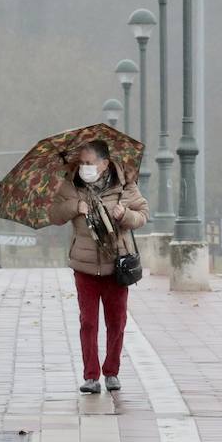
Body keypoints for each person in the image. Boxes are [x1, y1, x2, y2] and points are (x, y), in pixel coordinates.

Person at [47, 140, 149, 394]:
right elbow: (54, 214)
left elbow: (143, 215)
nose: (84, 168)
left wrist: (124, 214)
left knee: (117, 321)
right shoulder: (72, 184)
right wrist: (74, 207)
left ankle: (111, 371)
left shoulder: (124, 183)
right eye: (81, 163)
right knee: (88, 322)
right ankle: (91, 376)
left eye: (89, 163)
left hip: (117, 264)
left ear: (104, 164)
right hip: (84, 265)